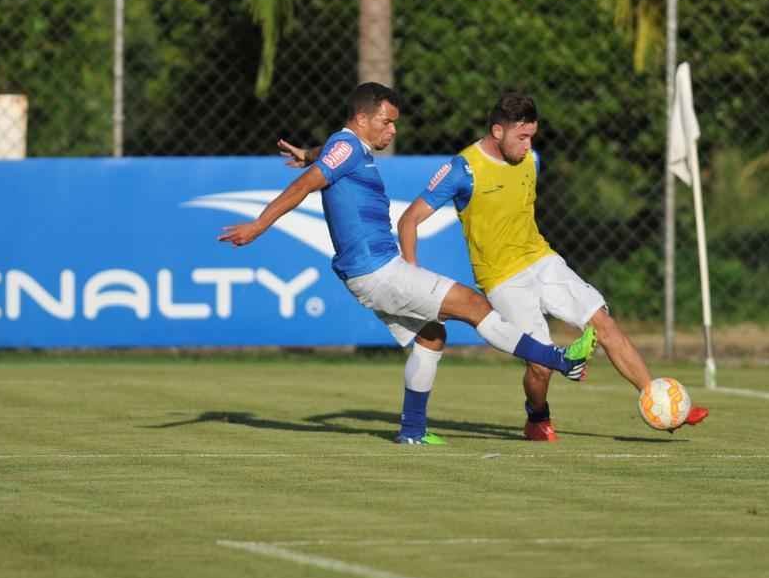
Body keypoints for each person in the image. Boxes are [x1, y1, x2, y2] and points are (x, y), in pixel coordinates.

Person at [220, 82, 596, 445]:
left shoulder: (347, 147)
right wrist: (258, 225)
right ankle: (560, 360)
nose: (393, 130)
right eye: (386, 121)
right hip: (377, 268)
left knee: (432, 335)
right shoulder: (346, 146)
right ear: (362, 119)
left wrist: (308, 153)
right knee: (473, 304)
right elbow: (304, 185)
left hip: (369, 271)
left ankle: (412, 430)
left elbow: (329, 154)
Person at [395, 91, 709, 441]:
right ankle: (537, 415)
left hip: (542, 260)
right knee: (540, 366)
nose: (528, 145)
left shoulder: (529, 161)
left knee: (603, 323)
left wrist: (664, 406)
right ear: (497, 131)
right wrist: (412, 275)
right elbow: (409, 220)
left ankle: (659, 401)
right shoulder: (463, 169)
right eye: (522, 137)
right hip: (503, 279)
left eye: (532, 136)